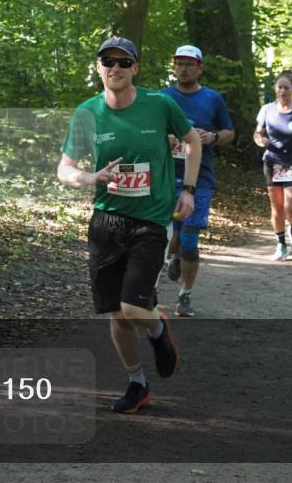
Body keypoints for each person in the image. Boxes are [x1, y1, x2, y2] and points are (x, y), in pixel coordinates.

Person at [58, 36, 201, 414]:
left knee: (134, 308)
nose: (115, 68)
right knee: (117, 314)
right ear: (98, 66)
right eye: (109, 61)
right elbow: (65, 169)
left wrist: (188, 190)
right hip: (106, 221)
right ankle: (137, 383)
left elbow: (192, 141)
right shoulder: (88, 112)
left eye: (124, 62)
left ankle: (158, 331)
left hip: (151, 220)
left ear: (135, 68)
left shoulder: (160, 105)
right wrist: (92, 178)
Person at [162, 45, 235, 318]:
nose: (183, 68)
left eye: (189, 64)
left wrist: (212, 137)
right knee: (166, 236)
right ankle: (175, 257)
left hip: (200, 179)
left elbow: (230, 132)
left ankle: (185, 295)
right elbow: (147, 129)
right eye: (179, 63)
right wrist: (163, 138)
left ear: (200, 68)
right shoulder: (163, 97)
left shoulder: (212, 99)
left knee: (189, 241)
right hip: (166, 176)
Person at [254, 74, 292, 261]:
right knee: (277, 207)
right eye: (280, 87)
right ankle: (280, 244)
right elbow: (258, 132)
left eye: (287, 88)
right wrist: (260, 140)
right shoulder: (267, 110)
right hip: (272, 161)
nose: (283, 91)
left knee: (290, 206)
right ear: (275, 89)